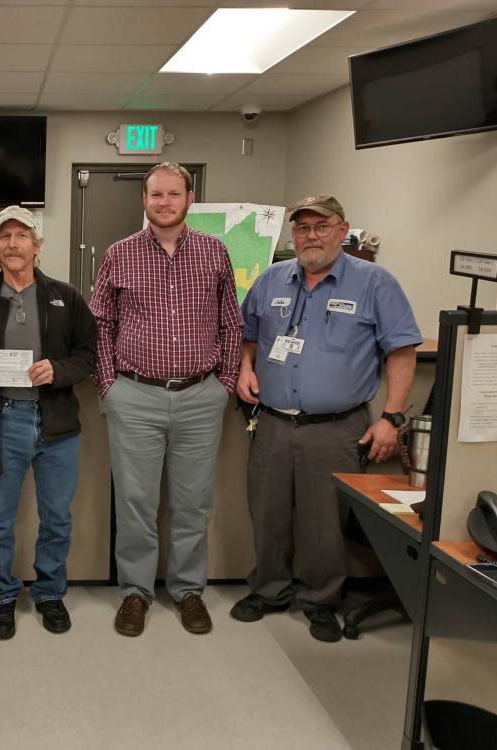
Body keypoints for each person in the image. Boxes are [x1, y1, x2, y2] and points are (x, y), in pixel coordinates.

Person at [232, 194, 421, 642]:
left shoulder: (374, 282)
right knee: (268, 514)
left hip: (336, 428)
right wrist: (244, 367)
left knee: (324, 522)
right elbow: (249, 335)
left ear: (342, 229)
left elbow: (401, 351)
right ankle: (270, 590)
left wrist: (391, 417)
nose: (311, 236)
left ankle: (321, 600)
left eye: (321, 226)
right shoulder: (271, 279)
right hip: (272, 422)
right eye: (302, 228)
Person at [89, 162, 242, 637]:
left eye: (174, 194)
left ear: (189, 199)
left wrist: (225, 384)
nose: (165, 202)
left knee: (193, 503)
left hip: (200, 396)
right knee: (135, 502)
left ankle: (188, 591)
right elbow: (100, 324)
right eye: (156, 194)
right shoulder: (119, 254)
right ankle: (135, 593)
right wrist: (109, 386)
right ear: (144, 200)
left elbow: (231, 322)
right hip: (135, 396)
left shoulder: (214, 252)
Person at [0, 206, 97, 640]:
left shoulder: (65, 298)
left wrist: (59, 370)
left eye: (22, 235)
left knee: (57, 518)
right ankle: (1, 597)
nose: (13, 244)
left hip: (57, 426)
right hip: (3, 424)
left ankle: (49, 593)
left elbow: (88, 354)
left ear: (37, 246)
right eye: (5, 236)